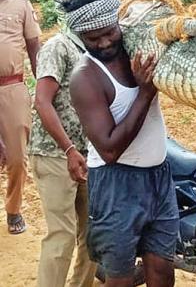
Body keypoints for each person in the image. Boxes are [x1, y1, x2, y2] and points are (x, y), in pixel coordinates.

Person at [68, 0, 177, 287]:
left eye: (109, 32)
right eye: (93, 38)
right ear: (80, 37)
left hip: (158, 176)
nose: (104, 42)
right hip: (116, 183)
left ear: (119, 23)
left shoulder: (137, 49)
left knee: (163, 270)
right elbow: (109, 150)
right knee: (121, 277)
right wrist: (144, 93)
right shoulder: (86, 77)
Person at [29, 15, 96, 286]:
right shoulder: (58, 47)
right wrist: (69, 149)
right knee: (62, 234)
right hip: (54, 153)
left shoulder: (91, 51)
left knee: (93, 233)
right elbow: (42, 101)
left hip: (86, 154)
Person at [0, 0, 41, 234]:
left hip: (12, 87)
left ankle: (13, 210)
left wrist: (45, 88)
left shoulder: (20, 4)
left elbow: (35, 48)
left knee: (16, 157)